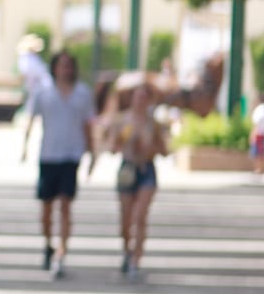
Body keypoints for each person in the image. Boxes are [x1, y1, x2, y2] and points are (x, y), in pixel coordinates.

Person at [20, 49, 97, 280]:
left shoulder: (83, 94)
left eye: (69, 65)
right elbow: (31, 119)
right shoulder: (43, 92)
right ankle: (47, 244)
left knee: (65, 205)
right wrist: (24, 146)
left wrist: (91, 153)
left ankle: (62, 251)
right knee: (46, 207)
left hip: (71, 155)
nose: (65, 70)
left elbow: (88, 124)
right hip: (48, 155)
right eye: (61, 65)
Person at [105, 84, 167, 280]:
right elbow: (112, 147)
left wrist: (151, 147)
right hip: (127, 168)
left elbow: (165, 150)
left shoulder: (153, 123)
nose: (140, 101)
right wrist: (124, 140)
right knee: (126, 217)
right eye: (137, 97)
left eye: (144, 98)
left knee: (140, 216)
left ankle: (136, 261)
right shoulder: (123, 120)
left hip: (146, 169)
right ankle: (126, 250)